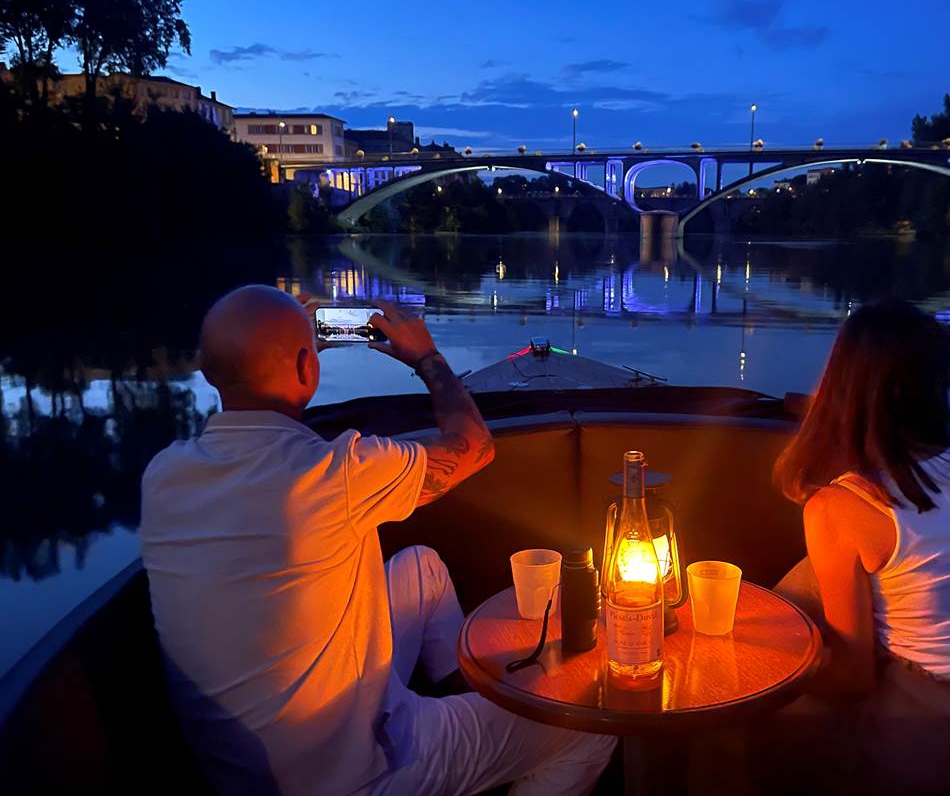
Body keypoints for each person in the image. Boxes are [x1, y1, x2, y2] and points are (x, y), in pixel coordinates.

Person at [140, 285, 615, 796]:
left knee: (421, 568)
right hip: (355, 777)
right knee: (590, 725)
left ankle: (471, 715)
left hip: (243, 772)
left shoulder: (163, 474)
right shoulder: (334, 474)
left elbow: (268, 432)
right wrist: (426, 356)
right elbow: (473, 447)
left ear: (211, 373)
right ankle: (452, 754)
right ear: (307, 367)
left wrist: (283, 354)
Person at [762, 300, 950, 795]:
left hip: (931, 734)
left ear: (840, 382)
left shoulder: (842, 507)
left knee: (753, 726)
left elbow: (852, 678)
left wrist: (765, 673)